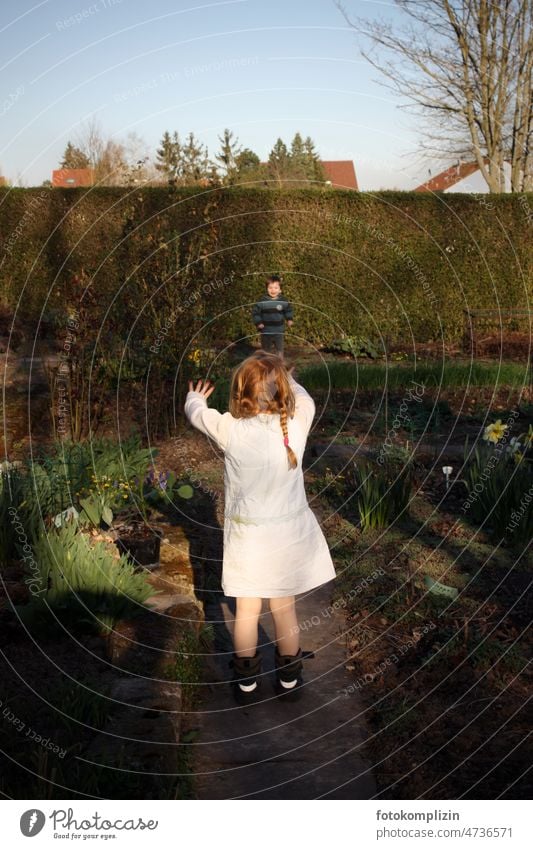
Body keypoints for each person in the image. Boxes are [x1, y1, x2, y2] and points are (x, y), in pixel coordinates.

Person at [184, 352, 336, 704]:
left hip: (247, 540)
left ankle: (247, 684)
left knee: (247, 612)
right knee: (285, 610)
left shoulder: (232, 430)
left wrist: (195, 397)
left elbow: (198, 416)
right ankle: (288, 682)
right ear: (284, 392)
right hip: (286, 539)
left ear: (241, 395)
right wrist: (289, 376)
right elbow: (307, 399)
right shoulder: (297, 423)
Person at [252, 273, 293, 357]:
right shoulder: (262, 301)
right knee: (266, 352)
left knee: (279, 351)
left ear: (280, 289)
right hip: (266, 331)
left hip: (279, 331)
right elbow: (255, 312)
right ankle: (266, 367)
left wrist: (289, 319)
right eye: (270, 287)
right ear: (267, 288)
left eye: (276, 288)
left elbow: (288, 310)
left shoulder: (283, 300)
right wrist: (258, 322)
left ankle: (279, 366)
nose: (273, 290)